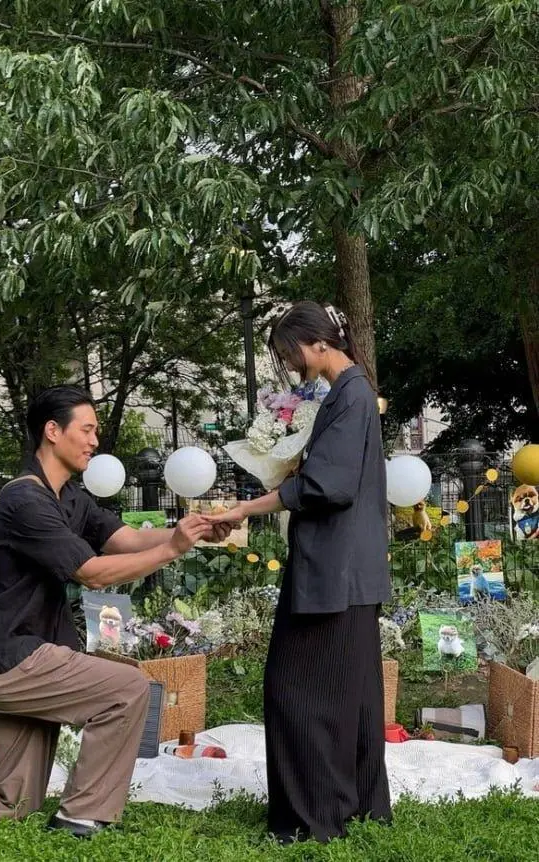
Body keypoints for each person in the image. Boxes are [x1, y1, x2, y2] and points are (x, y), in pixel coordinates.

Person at [0, 385, 230, 838]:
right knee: (128, 687)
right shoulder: (25, 501)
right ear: (53, 431)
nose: (94, 441)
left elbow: (126, 540)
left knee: (13, 800)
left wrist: (193, 531)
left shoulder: (69, 497)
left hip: (18, 658)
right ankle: (81, 815)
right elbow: (91, 573)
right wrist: (173, 549)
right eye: (86, 430)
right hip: (10, 659)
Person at [206, 301, 392, 845]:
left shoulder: (350, 395)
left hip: (335, 570)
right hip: (348, 569)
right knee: (351, 694)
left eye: (290, 353)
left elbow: (327, 486)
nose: (290, 365)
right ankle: (358, 807)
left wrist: (249, 506)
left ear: (319, 342)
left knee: (296, 688)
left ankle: (312, 819)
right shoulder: (351, 392)